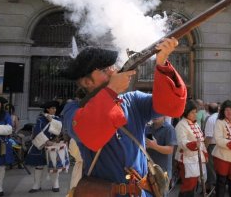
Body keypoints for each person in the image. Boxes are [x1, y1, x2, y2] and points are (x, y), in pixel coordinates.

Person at [61, 38, 186, 197]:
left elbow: (172, 106)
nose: (113, 71)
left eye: (111, 67)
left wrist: (162, 63)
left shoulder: (133, 100)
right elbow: (88, 132)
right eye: (105, 70)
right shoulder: (73, 109)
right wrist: (112, 90)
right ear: (86, 81)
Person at [26, 100, 66, 193]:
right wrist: (46, 141)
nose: (54, 110)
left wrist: (51, 120)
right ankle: (36, 185)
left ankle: (55, 184)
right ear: (47, 109)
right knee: (39, 166)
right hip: (41, 145)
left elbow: (59, 130)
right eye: (52, 108)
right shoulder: (40, 119)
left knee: (54, 166)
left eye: (55, 108)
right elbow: (37, 130)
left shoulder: (57, 119)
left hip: (53, 145)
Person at [175, 100, 207, 197]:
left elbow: (201, 141)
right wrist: (193, 144)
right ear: (186, 112)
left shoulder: (196, 124)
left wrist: (204, 153)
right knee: (188, 185)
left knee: (193, 185)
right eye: (192, 112)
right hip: (186, 159)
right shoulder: (181, 125)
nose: (195, 114)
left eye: (196, 111)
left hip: (197, 158)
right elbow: (181, 142)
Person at [145, 116, 177, 196]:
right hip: (148, 169)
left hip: (162, 171)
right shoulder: (147, 128)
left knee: (161, 194)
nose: (155, 115)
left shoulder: (169, 129)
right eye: (153, 113)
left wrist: (155, 146)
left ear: (164, 115)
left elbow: (170, 150)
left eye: (158, 113)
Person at [203, 102, 219, 192]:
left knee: (211, 167)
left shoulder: (210, 119)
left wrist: (204, 148)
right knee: (218, 166)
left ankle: (213, 187)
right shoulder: (221, 117)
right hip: (221, 145)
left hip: (212, 146)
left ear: (208, 110)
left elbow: (209, 136)